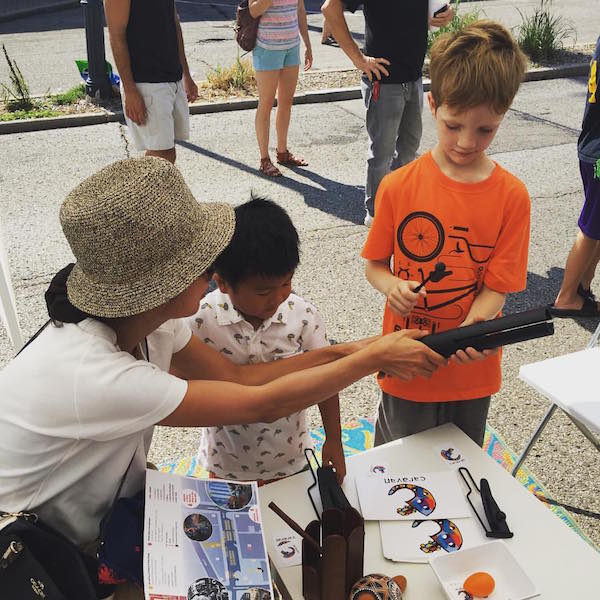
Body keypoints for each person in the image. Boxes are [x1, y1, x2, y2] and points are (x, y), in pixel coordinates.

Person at [0, 158, 444, 557]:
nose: (213, 268)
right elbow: (259, 404)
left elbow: (240, 378)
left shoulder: (151, 323)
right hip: (28, 545)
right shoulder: (95, 375)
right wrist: (371, 360)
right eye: (200, 259)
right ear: (162, 284)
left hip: (76, 524)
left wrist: (360, 348)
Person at [361, 21, 531, 447]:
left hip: (471, 367)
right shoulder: (398, 185)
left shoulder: (512, 197)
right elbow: (375, 265)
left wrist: (481, 320)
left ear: (503, 115)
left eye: (485, 130)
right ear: (433, 105)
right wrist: (393, 286)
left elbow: (497, 288)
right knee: (396, 470)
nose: (466, 142)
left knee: (460, 469)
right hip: (407, 358)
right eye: (454, 125)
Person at [185, 197, 346, 484]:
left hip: (293, 458)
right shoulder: (200, 320)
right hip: (225, 464)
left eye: (286, 283)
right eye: (262, 292)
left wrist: (334, 438)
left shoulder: (303, 316)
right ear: (223, 283)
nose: (277, 298)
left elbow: (327, 380)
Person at [322, 0, 454, 226]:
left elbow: (433, 8)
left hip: (413, 77)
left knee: (408, 149)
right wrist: (359, 59)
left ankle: (398, 206)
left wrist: (446, 13)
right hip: (383, 82)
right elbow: (329, 8)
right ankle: (376, 214)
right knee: (382, 152)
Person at [104, 0, 198, 164]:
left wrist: (186, 74)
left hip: (172, 76)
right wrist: (130, 90)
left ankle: (137, 189)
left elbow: (173, 21)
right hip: (145, 82)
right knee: (163, 156)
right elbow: (116, 35)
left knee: (162, 155)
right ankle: (132, 189)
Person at [550, 37, 600, 317]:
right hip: (599, 157)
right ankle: (567, 296)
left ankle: (582, 286)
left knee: (596, 228)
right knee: (590, 229)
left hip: (591, 148)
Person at [249, 0, 312, 177]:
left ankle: (282, 153)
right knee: (266, 104)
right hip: (267, 47)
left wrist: (307, 43)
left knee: (286, 103)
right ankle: (264, 160)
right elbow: (253, 10)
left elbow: (300, 8)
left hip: (292, 45)